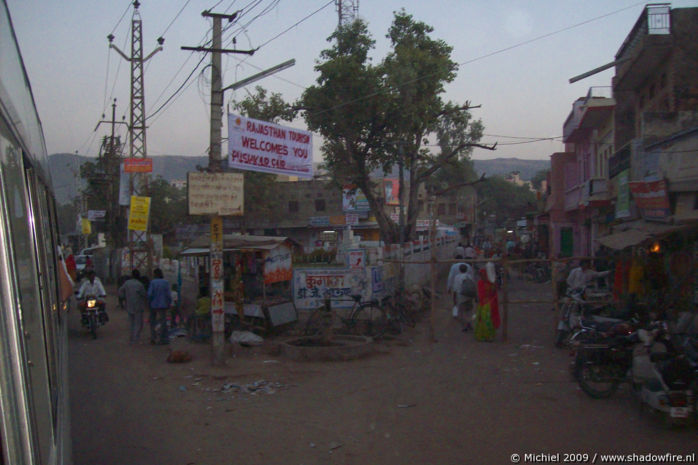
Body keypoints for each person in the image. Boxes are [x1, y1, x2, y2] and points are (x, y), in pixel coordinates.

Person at [118, 269, 147, 344]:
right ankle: (136, 338)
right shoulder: (139, 284)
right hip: (138, 305)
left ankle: (132, 337)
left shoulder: (127, 283)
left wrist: (123, 297)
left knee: (131, 322)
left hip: (129, 304)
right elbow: (144, 294)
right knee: (138, 323)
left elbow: (120, 291)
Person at [474, 266, 500, 342]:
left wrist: (493, 285)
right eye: (481, 275)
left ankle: (489, 336)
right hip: (482, 304)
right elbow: (480, 294)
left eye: (483, 275)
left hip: (489, 303)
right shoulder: (480, 282)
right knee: (481, 319)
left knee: (488, 320)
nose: (482, 277)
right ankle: (482, 336)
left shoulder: (490, 283)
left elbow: (493, 292)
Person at [148, 268, 172, 345]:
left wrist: (149, 302)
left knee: (152, 321)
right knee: (163, 322)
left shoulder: (153, 282)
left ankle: (153, 337)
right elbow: (168, 295)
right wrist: (169, 303)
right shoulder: (166, 282)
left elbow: (149, 294)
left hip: (153, 305)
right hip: (163, 304)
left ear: (155, 274)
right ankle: (162, 338)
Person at [453, 264, 476, 331]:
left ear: (459, 270)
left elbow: (455, 289)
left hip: (461, 297)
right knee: (468, 312)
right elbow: (473, 286)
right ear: (466, 269)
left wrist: (454, 299)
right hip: (469, 297)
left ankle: (464, 326)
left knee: (461, 313)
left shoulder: (457, 277)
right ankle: (469, 323)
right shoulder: (469, 276)